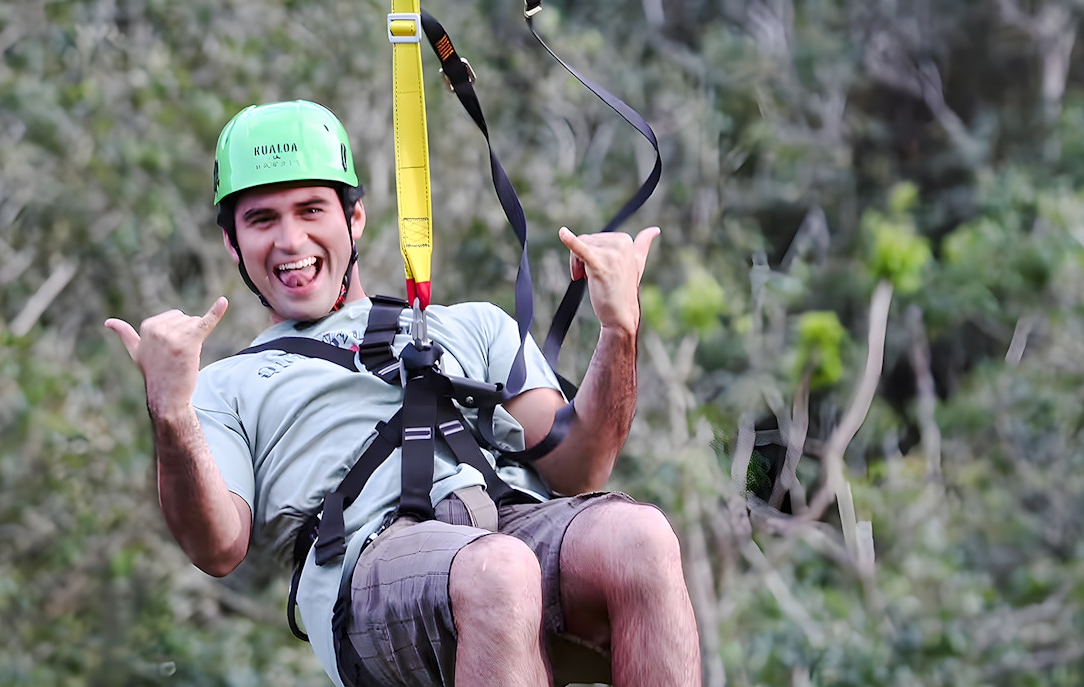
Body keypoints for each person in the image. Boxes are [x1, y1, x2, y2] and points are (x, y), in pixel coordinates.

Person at [106, 100, 700, 687]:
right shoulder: (223, 386)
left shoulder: (473, 326)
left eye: (311, 209)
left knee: (639, 538)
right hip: (369, 570)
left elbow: (581, 466)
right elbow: (216, 547)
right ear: (233, 244)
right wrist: (171, 411)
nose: (290, 240)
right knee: (500, 573)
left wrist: (620, 331)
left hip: (506, 527)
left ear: (354, 218)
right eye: (262, 220)